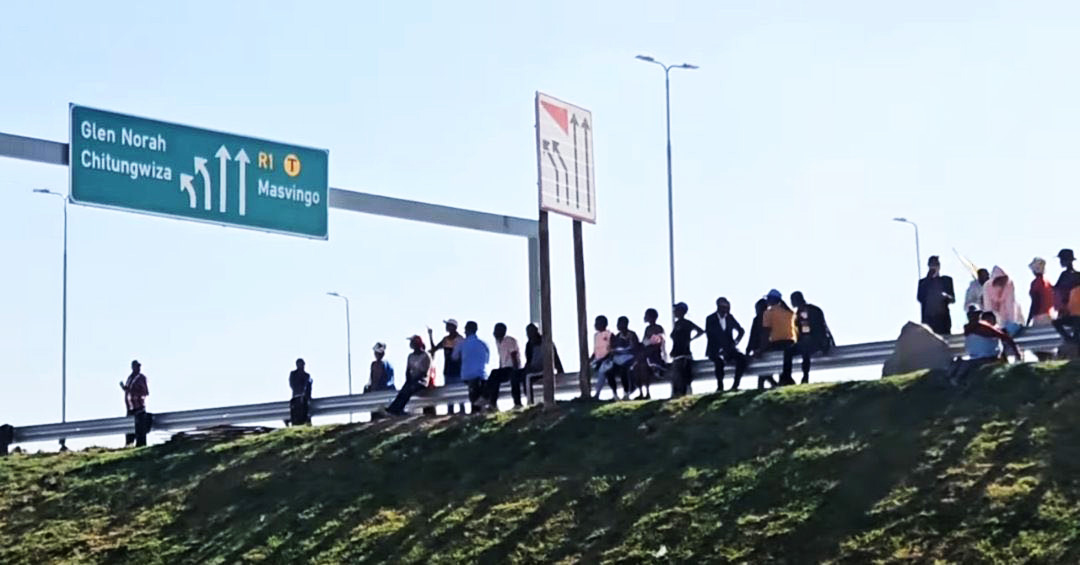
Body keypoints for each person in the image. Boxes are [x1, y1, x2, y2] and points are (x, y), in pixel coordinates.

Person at [949, 309, 1020, 386]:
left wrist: (1017, 354)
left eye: (975, 315)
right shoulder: (969, 328)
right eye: (971, 315)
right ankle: (951, 381)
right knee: (957, 363)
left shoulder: (987, 328)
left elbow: (1006, 338)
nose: (973, 318)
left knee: (966, 365)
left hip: (988, 358)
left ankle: (957, 381)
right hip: (975, 357)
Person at [784, 292, 835, 385]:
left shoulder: (807, 311)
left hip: (817, 341)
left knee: (805, 348)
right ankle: (787, 377)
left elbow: (816, 328)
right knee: (788, 351)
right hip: (808, 341)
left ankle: (805, 376)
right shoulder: (800, 312)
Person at [705, 297, 747, 392]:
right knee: (719, 362)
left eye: (727, 307)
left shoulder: (730, 317)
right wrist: (720, 349)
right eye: (723, 307)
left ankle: (735, 385)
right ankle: (720, 386)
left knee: (742, 359)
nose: (726, 309)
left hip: (729, 348)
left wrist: (735, 342)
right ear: (718, 307)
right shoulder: (710, 319)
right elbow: (710, 335)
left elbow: (741, 330)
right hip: (715, 349)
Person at [387, 336, 433, 415]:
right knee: (403, 390)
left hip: (421, 381)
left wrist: (413, 381)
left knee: (409, 390)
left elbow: (423, 372)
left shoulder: (426, 355)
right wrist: (408, 380)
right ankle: (393, 409)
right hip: (412, 380)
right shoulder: (410, 356)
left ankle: (398, 409)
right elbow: (408, 370)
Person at [452, 321, 490, 412]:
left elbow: (454, 357)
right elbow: (487, 360)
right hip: (482, 375)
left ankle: (476, 411)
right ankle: (481, 410)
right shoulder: (483, 344)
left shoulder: (462, 344)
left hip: (467, 375)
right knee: (480, 395)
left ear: (467, 330)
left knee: (474, 396)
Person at [522, 323, 565, 405]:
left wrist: (560, 371)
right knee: (517, 375)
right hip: (533, 369)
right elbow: (528, 359)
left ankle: (530, 402)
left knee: (528, 377)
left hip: (544, 369)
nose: (529, 335)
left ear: (536, 331)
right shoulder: (529, 345)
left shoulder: (546, 341)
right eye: (528, 333)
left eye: (531, 332)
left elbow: (555, 357)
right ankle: (519, 401)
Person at [762, 289, 798, 386]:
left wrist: (761, 348)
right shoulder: (789, 312)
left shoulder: (768, 313)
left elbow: (766, 332)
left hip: (777, 343)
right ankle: (784, 380)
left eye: (768, 298)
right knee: (783, 361)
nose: (767, 300)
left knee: (761, 360)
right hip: (791, 342)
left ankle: (773, 382)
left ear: (772, 300)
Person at [429, 319, 465, 413]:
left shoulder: (460, 339)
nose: (447, 327)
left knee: (460, 392)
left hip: (458, 370)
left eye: (448, 325)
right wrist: (430, 336)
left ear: (454, 327)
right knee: (449, 393)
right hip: (448, 370)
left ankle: (462, 411)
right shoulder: (445, 339)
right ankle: (450, 412)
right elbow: (434, 349)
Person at [669, 302, 704, 398]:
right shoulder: (677, 324)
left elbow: (700, 331)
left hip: (684, 354)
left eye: (676, 310)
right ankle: (678, 393)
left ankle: (683, 394)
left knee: (682, 376)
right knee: (677, 377)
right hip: (677, 354)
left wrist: (690, 340)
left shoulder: (686, 323)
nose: (674, 312)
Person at [485, 323, 521, 408]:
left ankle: (486, 397)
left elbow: (513, 355)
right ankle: (492, 403)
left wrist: (516, 370)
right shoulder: (498, 342)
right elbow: (501, 358)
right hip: (504, 369)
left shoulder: (509, 340)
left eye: (496, 331)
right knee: (494, 378)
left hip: (512, 368)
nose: (494, 333)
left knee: (494, 373)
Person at [918, 256, 956, 335]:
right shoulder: (923, 282)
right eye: (932, 264)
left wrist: (945, 296)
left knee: (944, 337)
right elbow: (920, 297)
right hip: (928, 319)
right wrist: (928, 278)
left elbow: (953, 299)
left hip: (943, 318)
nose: (934, 267)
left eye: (936, 264)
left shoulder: (946, 280)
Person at [1028, 257, 1057, 361]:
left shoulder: (1036, 283)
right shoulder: (1047, 282)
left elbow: (1035, 302)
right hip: (1050, 315)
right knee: (1048, 345)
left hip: (1040, 315)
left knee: (1039, 345)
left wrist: (1029, 319)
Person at [746, 299, 778, 389]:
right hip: (768, 347)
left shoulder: (759, 319)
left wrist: (749, 349)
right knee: (764, 372)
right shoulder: (771, 317)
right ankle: (770, 385)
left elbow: (753, 335)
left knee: (763, 372)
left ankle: (770, 385)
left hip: (761, 348)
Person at [982, 266, 1023, 336]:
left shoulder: (1009, 284)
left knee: (1011, 326)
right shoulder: (987, 286)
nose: (1001, 281)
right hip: (994, 313)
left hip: (1008, 312)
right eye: (999, 279)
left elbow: (1010, 304)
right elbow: (988, 305)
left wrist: (1012, 321)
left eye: (1002, 279)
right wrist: (990, 323)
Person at [636, 308, 667, 400]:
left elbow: (658, 342)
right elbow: (645, 342)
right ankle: (641, 392)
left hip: (655, 355)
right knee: (638, 367)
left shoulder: (658, 328)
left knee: (645, 367)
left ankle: (647, 392)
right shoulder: (647, 328)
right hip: (647, 354)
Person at [607, 316, 640, 400]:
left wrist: (623, 351)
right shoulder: (617, 336)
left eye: (620, 323)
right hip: (619, 359)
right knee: (609, 372)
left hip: (630, 359)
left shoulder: (632, 335)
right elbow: (614, 348)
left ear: (625, 324)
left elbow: (635, 348)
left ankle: (626, 393)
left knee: (624, 371)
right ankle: (615, 394)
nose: (618, 325)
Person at [120, 360, 150, 447]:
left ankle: (140, 445)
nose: (138, 368)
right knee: (129, 429)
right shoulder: (130, 378)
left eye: (139, 366)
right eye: (137, 366)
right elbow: (128, 391)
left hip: (139, 407)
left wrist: (130, 390)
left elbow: (145, 392)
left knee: (140, 429)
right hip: (130, 408)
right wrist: (124, 388)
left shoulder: (141, 378)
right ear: (132, 367)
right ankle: (129, 444)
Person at [591, 316, 615, 398]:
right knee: (587, 370)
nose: (595, 325)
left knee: (602, 371)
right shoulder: (596, 335)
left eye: (597, 323)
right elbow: (595, 350)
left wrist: (604, 359)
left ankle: (597, 394)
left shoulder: (610, 334)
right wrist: (590, 360)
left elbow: (612, 350)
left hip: (607, 360)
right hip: (597, 359)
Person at [1054, 249, 1080, 316]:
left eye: (1061, 259)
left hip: (1068, 311)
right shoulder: (1065, 275)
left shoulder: (1065, 275)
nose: (1060, 262)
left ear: (1067, 260)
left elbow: (1056, 290)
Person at [288, 358, 312, 426]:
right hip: (296, 396)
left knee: (304, 411)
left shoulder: (307, 375)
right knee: (296, 411)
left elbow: (308, 387)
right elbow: (292, 384)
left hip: (304, 398)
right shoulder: (293, 374)